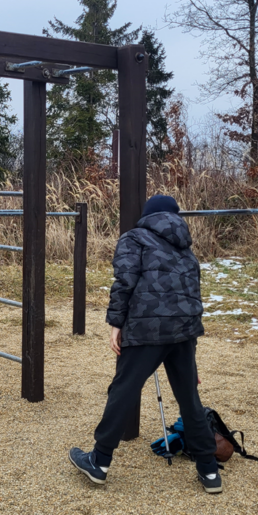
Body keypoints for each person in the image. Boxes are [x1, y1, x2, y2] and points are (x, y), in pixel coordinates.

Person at [68, 194, 222, 493]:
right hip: (184, 333)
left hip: (146, 329)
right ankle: (209, 470)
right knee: (189, 399)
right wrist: (192, 358)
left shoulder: (134, 238)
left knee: (123, 390)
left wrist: (115, 324)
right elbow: (192, 297)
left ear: (147, 215)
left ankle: (99, 462)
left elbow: (124, 282)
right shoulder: (187, 249)